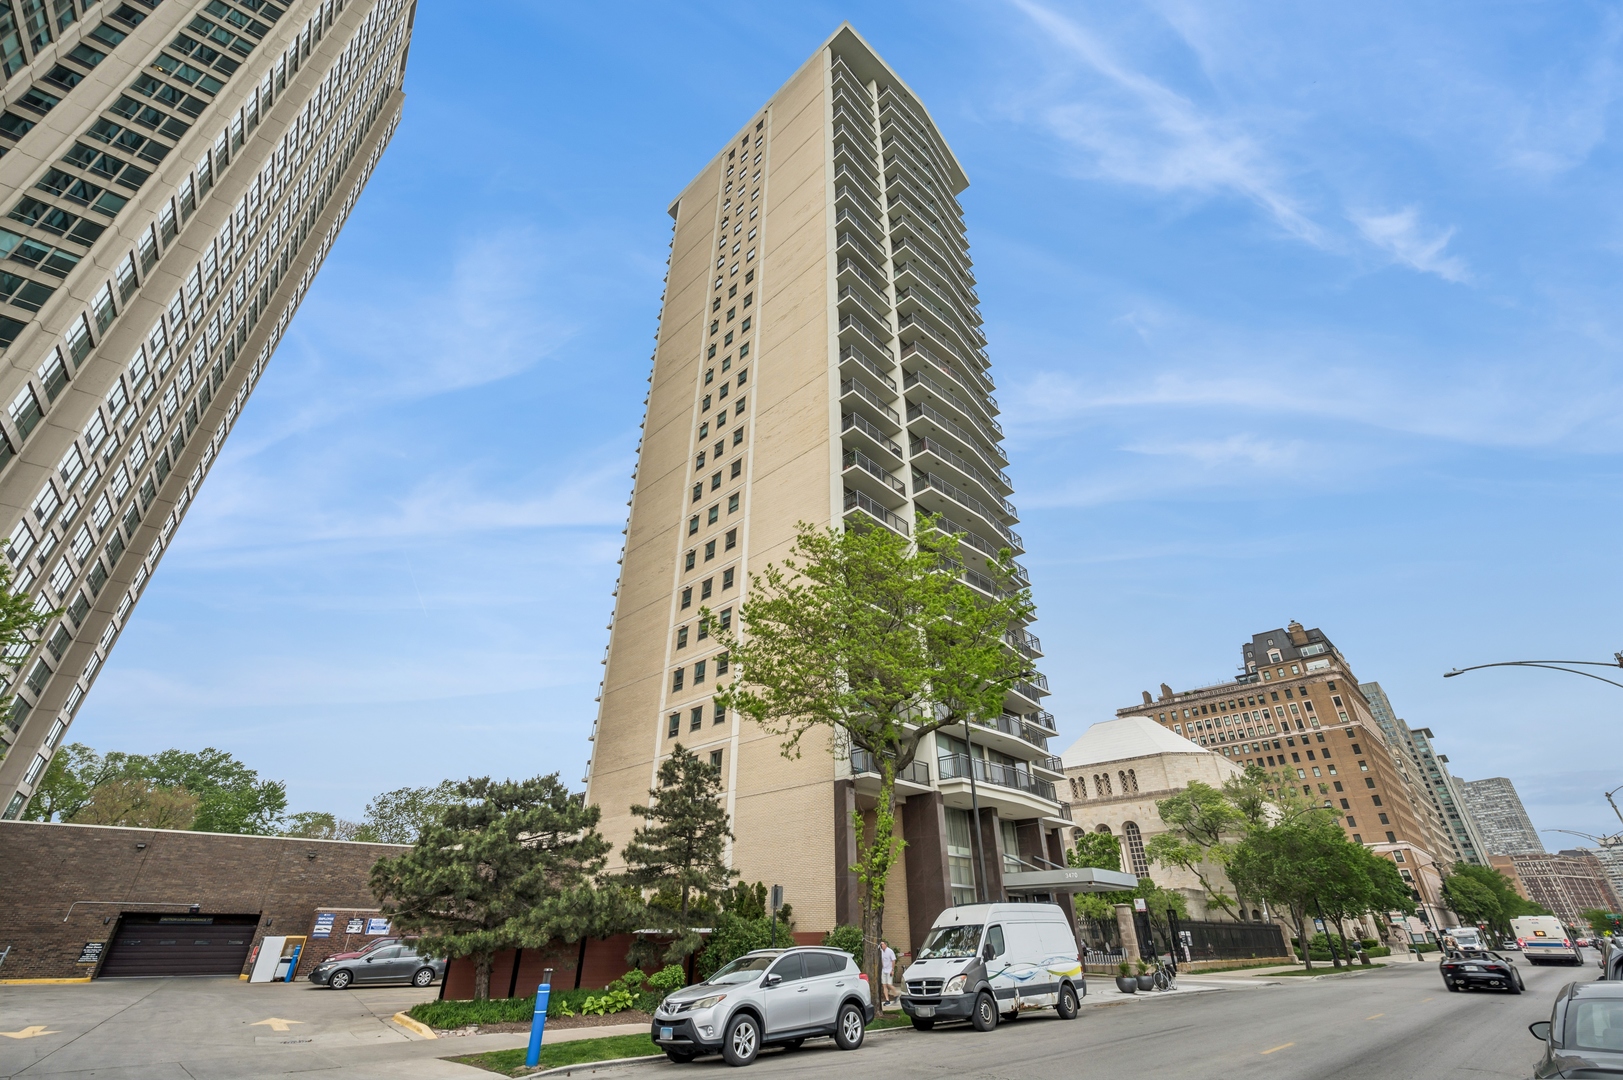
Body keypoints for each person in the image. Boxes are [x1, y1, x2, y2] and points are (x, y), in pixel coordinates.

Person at [879, 939, 896, 1006]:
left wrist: (892, 970)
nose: (881, 946)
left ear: (885, 945)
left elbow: (893, 960)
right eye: (881, 945)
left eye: (882, 944)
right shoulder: (881, 951)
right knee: (884, 985)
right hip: (884, 970)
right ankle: (887, 999)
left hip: (889, 970)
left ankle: (896, 995)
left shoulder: (890, 951)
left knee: (889, 985)